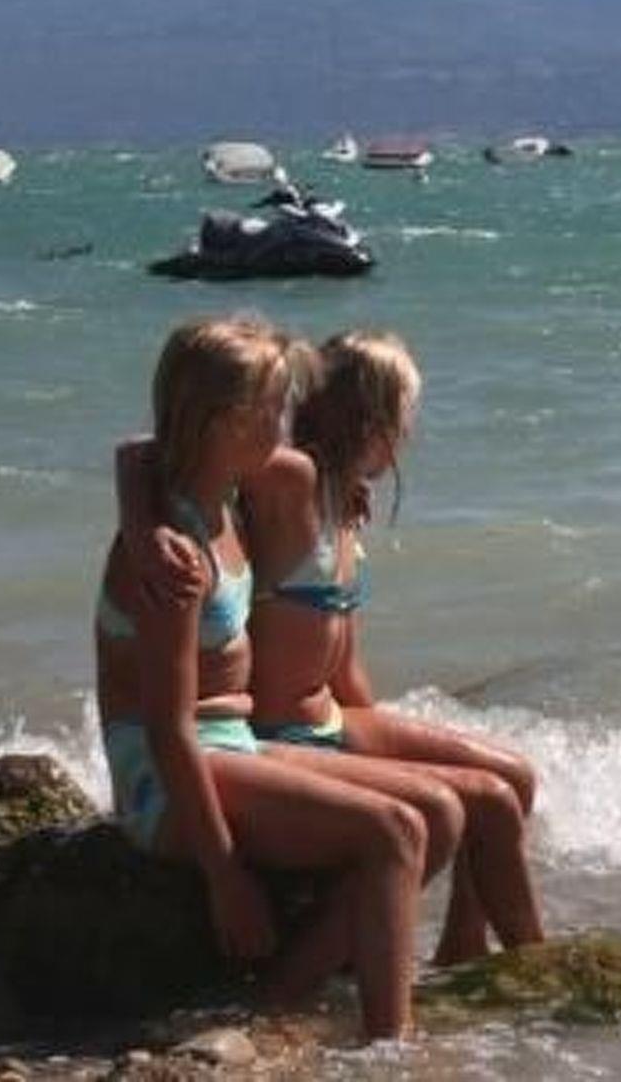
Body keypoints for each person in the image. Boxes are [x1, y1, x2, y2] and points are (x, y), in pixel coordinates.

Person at [117, 328, 545, 967]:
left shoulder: (341, 499)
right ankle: (531, 963)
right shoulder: (293, 478)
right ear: (373, 421)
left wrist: (397, 758)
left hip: (332, 716)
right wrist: (140, 525)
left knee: (513, 780)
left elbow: (344, 667)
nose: (408, 435)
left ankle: (464, 944)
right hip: (285, 730)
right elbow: (155, 448)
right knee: (478, 799)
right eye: (404, 418)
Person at [95, 315, 458, 1041]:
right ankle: (391, 1049)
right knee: (392, 830)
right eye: (272, 409)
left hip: (230, 744)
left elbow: (142, 450)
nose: (286, 426)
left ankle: (282, 997)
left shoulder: (224, 507)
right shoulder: (171, 555)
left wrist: (342, 488)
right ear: (226, 422)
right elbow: (168, 730)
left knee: (439, 813)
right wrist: (225, 877)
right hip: (165, 776)